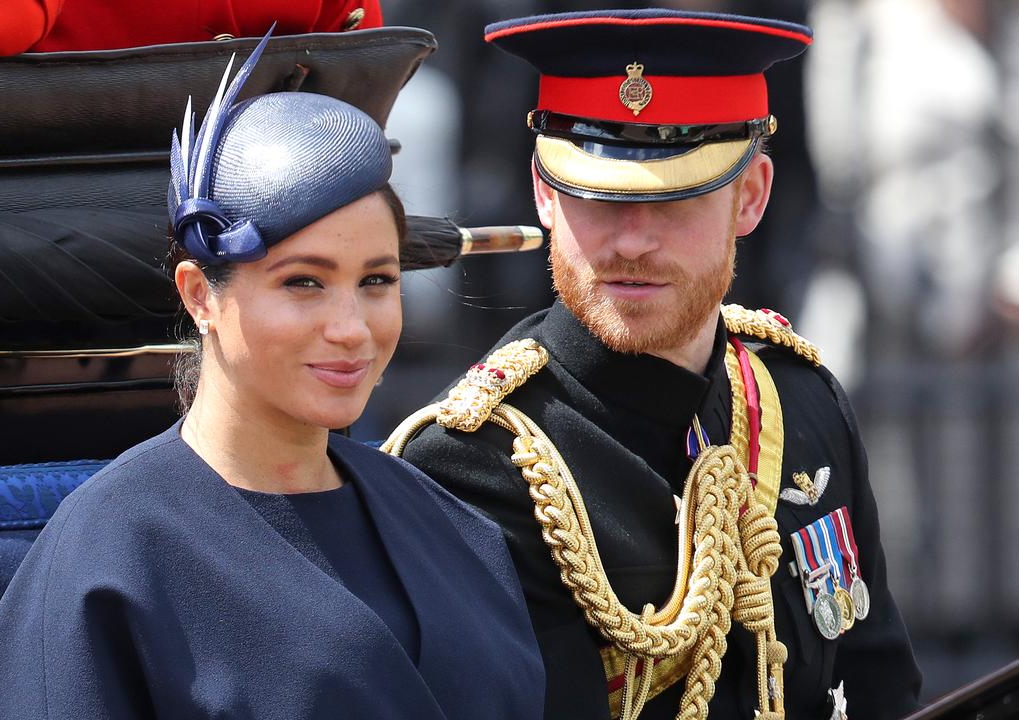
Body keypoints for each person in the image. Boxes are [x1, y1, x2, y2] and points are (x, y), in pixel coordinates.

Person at [0, 32, 543, 720]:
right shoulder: (115, 548)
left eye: (377, 280)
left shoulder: (450, 524)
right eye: (304, 283)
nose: (352, 326)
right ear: (200, 295)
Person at [387, 9, 922, 720]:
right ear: (545, 193)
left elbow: (883, 688)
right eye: (598, 196)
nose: (633, 242)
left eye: (675, 199)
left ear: (751, 196)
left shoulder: (803, 401)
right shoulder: (472, 465)